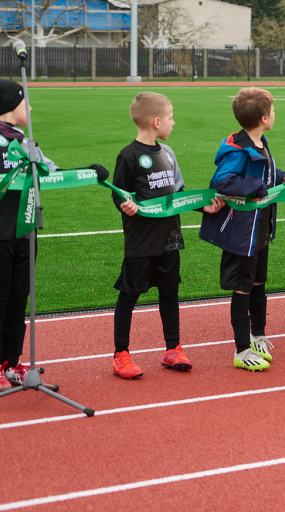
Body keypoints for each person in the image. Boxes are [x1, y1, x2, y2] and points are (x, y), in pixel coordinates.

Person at [0, 79, 104, 394]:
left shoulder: (28, 144)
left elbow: (53, 174)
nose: (30, 107)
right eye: (25, 100)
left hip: (26, 232)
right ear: (8, 106)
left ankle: (13, 363)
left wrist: (90, 171)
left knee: (18, 300)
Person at [110, 92, 223, 380]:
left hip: (170, 238)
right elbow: (119, 192)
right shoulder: (129, 155)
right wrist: (126, 203)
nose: (174, 123)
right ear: (157, 121)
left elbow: (178, 194)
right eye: (171, 118)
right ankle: (121, 354)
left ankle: (173, 348)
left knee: (169, 292)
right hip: (141, 241)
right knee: (129, 294)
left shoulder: (168, 153)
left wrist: (203, 206)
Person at [199, 87, 285, 372]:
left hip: (260, 229)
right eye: (273, 110)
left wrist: (282, 175)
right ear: (264, 117)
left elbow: (264, 172)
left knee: (258, 284)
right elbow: (223, 181)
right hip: (242, 233)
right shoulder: (239, 149)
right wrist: (257, 187)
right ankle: (241, 349)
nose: (275, 114)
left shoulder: (261, 141)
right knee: (242, 288)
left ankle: (257, 334)